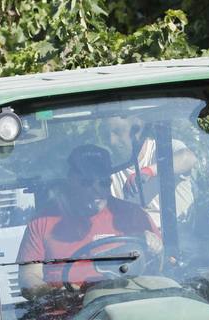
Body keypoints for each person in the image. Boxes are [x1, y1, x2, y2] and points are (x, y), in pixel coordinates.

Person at [16, 144, 161, 305]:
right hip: (66, 314)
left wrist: (155, 245)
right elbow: (28, 277)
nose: (96, 190)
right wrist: (56, 294)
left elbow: (164, 264)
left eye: (103, 182)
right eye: (87, 182)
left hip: (126, 307)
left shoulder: (134, 215)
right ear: (71, 181)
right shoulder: (42, 221)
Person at [106, 115, 196, 226]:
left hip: (180, 231)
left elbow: (188, 158)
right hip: (138, 234)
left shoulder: (163, 147)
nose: (112, 141)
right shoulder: (110, 170)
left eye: (117, 132)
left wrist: (149, 171)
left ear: (137, 131)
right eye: (107, 135)